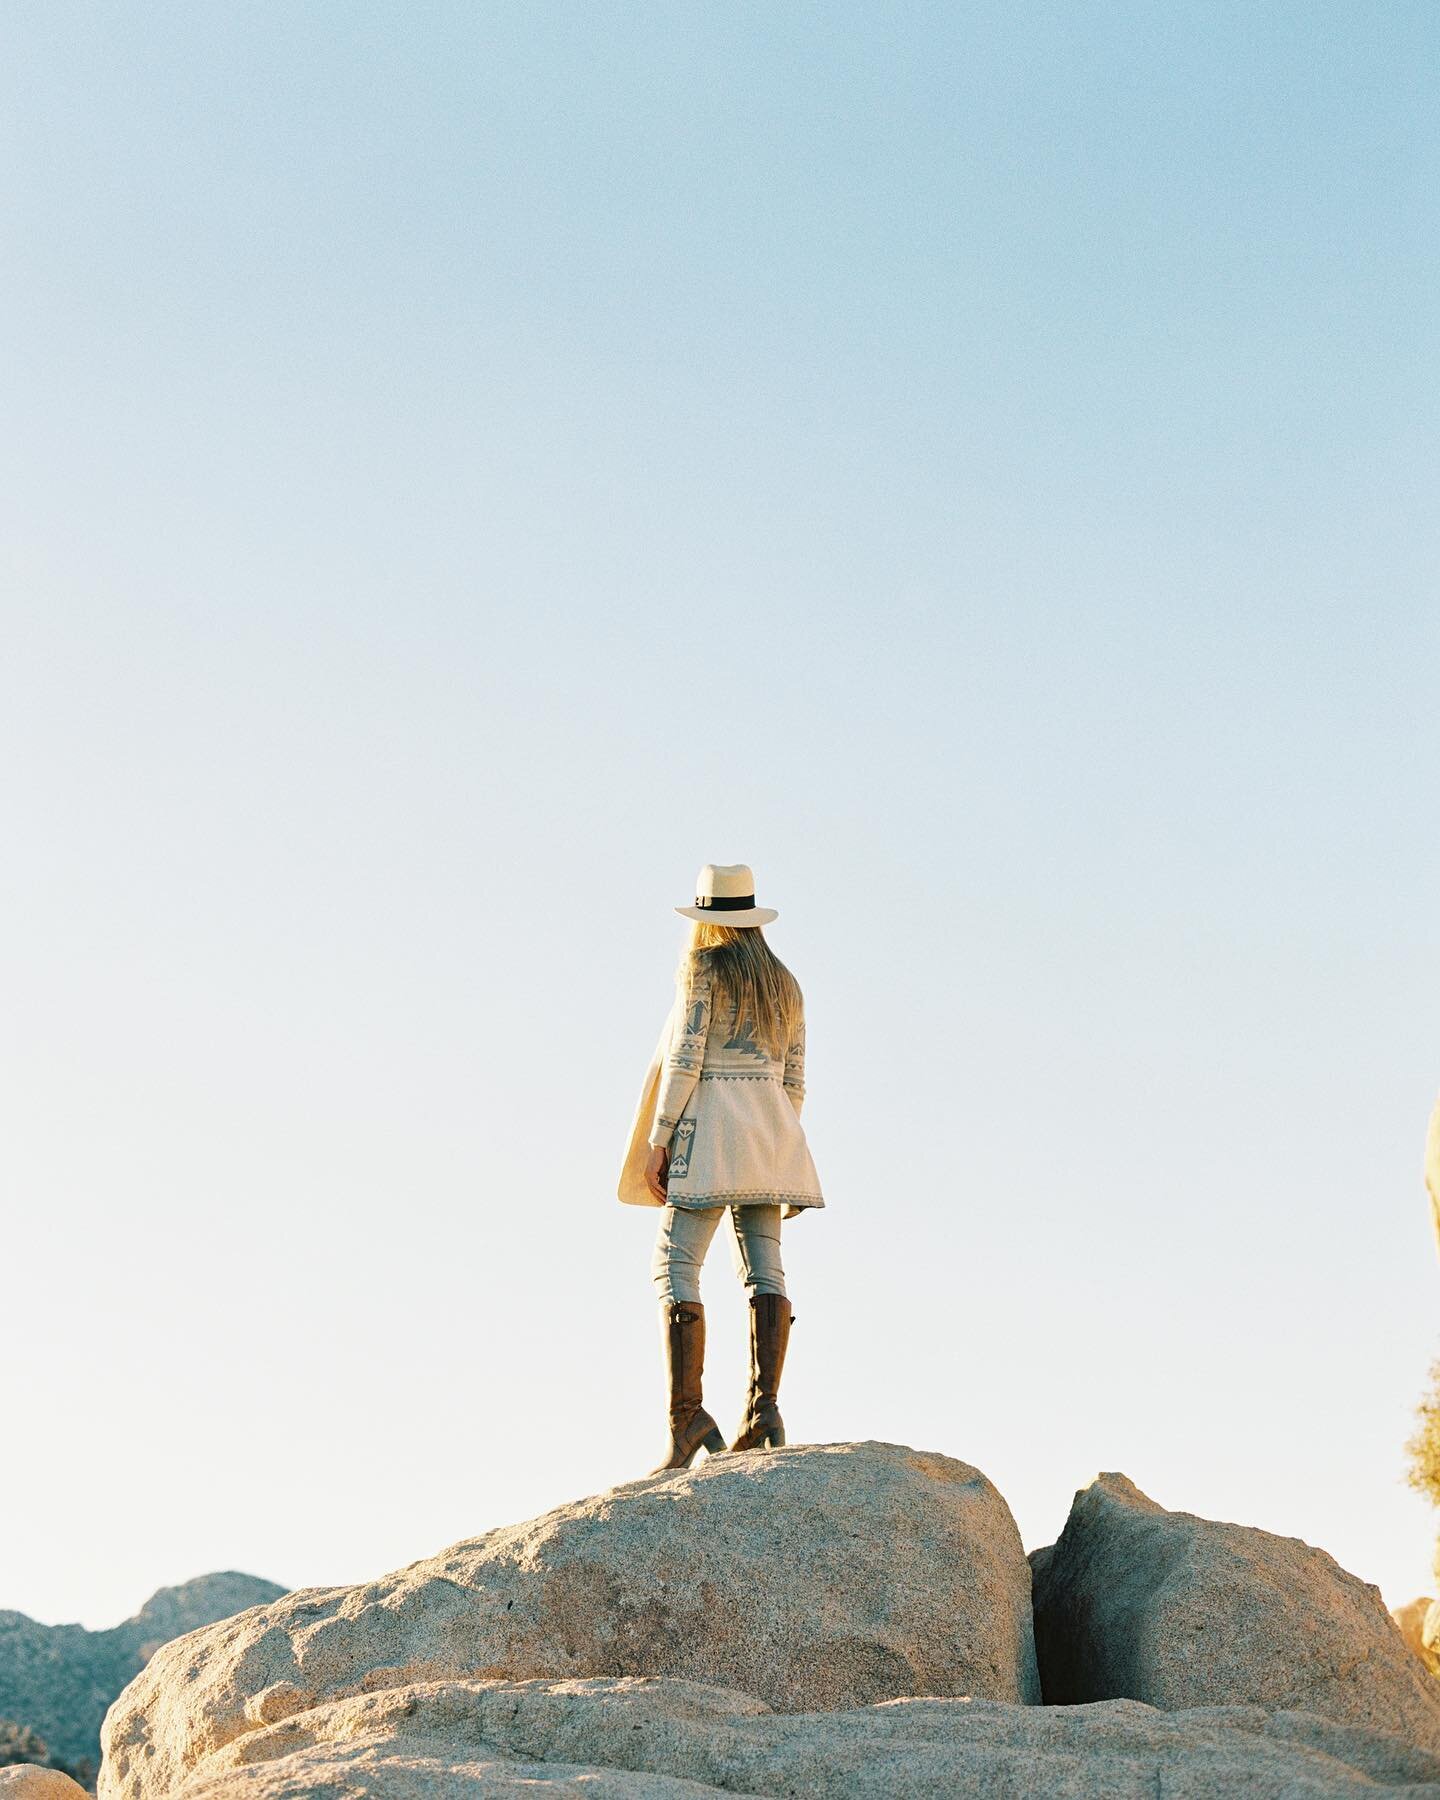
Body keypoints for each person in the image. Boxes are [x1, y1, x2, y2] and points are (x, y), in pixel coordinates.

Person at [617, 862, 824, 1474]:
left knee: (675, 1263)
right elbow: (795, 1081)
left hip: (708, 1133)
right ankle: (765, 1412)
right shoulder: (784, 982)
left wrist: (659, 1139)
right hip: (771, 1137)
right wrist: (778, 1144)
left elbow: (684, 1059)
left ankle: (687, 1420)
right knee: (766, 1268)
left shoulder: (703, 969)